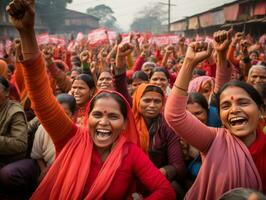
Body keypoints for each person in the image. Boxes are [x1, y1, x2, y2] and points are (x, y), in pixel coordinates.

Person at [6, 1, 176, 199]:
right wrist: (27, 32)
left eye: (113, 116)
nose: (103, 122)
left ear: (124, 124)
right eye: (97, 114)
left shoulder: (131, 154)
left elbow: (165, 191)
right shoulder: (71, 138)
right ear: (88, 117)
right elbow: (41, 99)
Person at [164, 30, 265, 199]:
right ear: (219, 115)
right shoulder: (213, 140)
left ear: (261, 110)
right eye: (226, 106)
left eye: (243, 102)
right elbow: (175, 114)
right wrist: (189, 62)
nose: (234, 109)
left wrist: (221, 55)